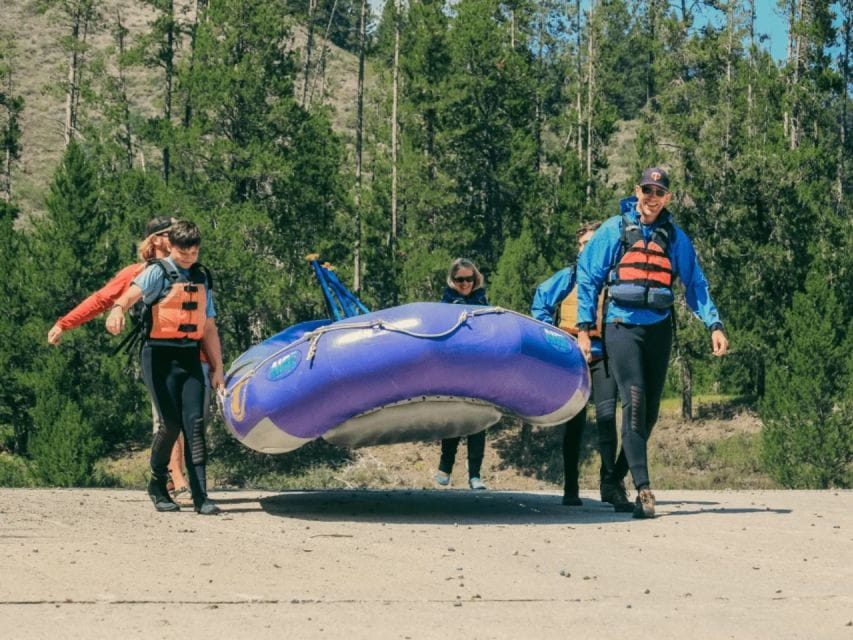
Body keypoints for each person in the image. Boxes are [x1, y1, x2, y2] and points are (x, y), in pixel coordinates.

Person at [576, 167, 728, 518]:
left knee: (650, 413)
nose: (652, 197)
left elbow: (695, 285)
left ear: (667, 197)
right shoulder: (615, 230)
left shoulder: (675, 238)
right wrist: (584, 328)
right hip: (621, 326)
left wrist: (714, 324)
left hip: (658, 329)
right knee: (634, 399)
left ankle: (614, 478)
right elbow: (587, 277)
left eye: (659, 192)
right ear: (637, 191)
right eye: (647, 190)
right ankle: (644, 490)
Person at [47, 217, 195, 503]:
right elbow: (102, 299)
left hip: (190, 354)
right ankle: (176, 479)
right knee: (168, 418)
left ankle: (175, 479)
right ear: (155, 240)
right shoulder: (138, 272)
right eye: (169, 233)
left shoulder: (190, 269)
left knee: (187, 419)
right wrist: (64, 324)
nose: (178, 235)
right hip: (159, 354)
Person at [106, 220, 225, 515]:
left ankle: (201, 495)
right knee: (170, 424)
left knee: (195, 425)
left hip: (189, 357)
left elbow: (209, 327)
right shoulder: (156, 273)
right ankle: (158, 483)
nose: (189, 258)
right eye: (184, 253)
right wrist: (117, 310)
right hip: (158, 357)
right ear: (171, 247)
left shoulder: (201, 277)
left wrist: (217, 368)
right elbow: (128, 296)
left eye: (194, 253)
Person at [531, 222, 630, 509]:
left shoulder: (612, 279)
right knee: (574, 425)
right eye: (582, 244)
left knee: (607, 419)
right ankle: (571, 487)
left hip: (603, 354)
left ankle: (610, 483)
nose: (585, 249)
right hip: (573, 356)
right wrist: (556, 339)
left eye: (591, 243)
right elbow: (541, 301)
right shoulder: (568, 277)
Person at [434, 258, 490, 491]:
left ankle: (475, 475)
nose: (465, 283)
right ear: (452, 280)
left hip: (477, 367)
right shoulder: (445, 303)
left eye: (469, 279)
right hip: (454, 367)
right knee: (454, 419)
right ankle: (445, 467)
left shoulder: (483, 302)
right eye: (460, 279)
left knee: (477, 420)